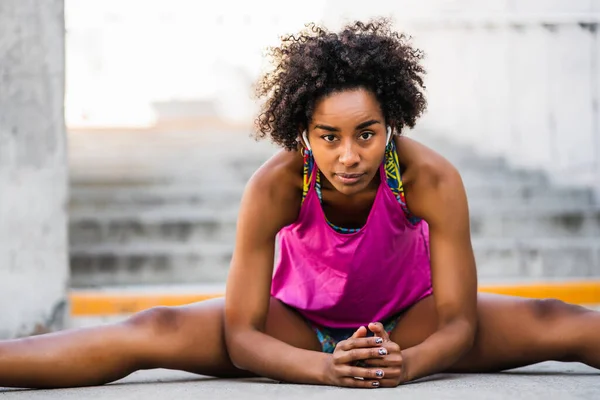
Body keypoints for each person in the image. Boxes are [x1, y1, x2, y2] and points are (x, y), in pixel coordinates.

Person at [1, 18, 599, 390]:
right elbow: (241, 333)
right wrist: (323, 370)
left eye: (366, 133)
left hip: (410, 325)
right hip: (297, 327)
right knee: (153, 327)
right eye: (327, 136)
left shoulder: (431, 178)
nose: (347, 156)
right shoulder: (275, 186)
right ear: (302, 133)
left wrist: (408, 364)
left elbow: (461, 320)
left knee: (554, 319)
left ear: (392, 121)